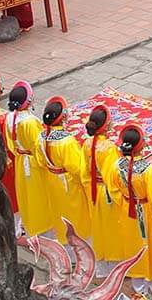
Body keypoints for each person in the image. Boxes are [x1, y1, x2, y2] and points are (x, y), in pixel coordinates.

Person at [104, 123, 152, 294]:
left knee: (132, 245)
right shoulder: (148, 170)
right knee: (151, 245)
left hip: (127, 210)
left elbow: (112, 188)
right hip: (146, 211)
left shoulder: (116, 166)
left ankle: (138, 286)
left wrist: (125, 202)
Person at [40, 96, 91, 241]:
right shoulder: (66, 141)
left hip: (52, 179)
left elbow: (40, 159)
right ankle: (78, 247)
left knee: (58, 211)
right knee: (74, 214)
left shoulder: (41, 136)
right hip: (68, 183)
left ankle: (63, 241)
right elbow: (76, 168)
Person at [81, 104, 120, 275]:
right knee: (111, 228)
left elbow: (84, 171)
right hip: (107, 191)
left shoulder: (87, 143)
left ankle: (101, 267)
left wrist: (89, 185)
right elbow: (113, 174)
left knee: (97, 226)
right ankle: (114, 266)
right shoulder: (109, 148)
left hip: (93, 189)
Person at [4, 82, 42, 236]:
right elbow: (39, 145)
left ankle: (27, 222)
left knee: (25, 194)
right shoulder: (30, 122)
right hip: (33, 161)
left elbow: (9, 142)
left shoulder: (9, 118)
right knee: (36, 194)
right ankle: (40, 226)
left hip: (20, 159)